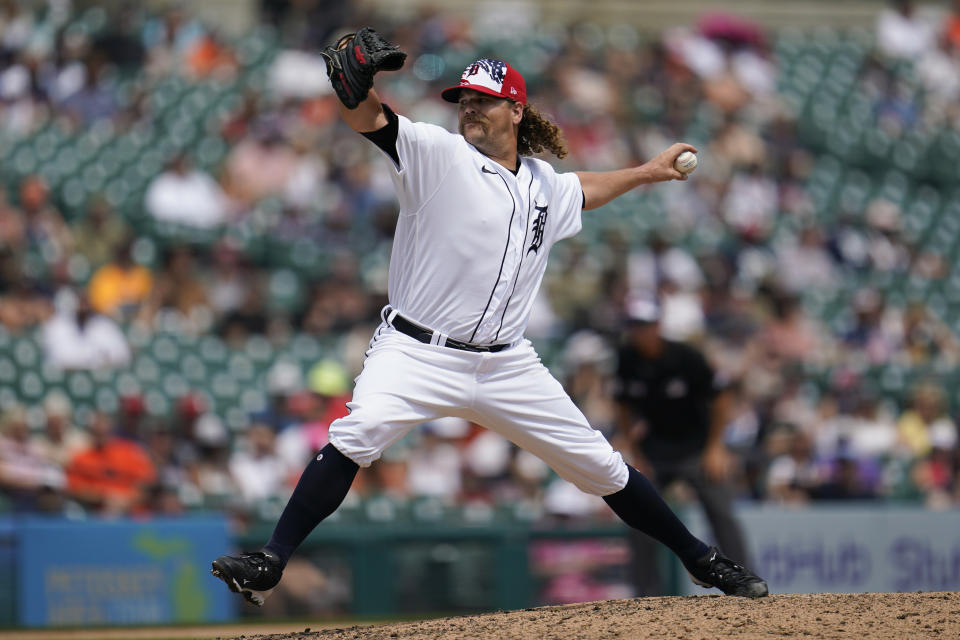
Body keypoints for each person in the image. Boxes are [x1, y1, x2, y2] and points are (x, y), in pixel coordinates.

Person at [211, 29, 768, 606]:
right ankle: (272, 558)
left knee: (601, 465)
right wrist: (354, 85)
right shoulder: (437, 154)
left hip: (507, 364)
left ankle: (701, 560)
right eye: (465, 99)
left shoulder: (546, 186)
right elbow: (369, 120)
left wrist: (648, 172)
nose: (470, 107)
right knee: (359, 431)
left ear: (516, 110)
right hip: (416, 351)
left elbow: (585, 189)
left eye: (483, 98)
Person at [613, 296, 753, 595]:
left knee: (721, 513)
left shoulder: (685, 356)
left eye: (645, 325)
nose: (640, 331)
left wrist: (717, 447)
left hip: (697, 448)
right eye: (635, 325)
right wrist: (637, 453)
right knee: (639, 514)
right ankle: (646, 594)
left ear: (658, 326)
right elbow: (622, 405)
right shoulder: (627, 358)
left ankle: (747, 581)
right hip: (656, 449)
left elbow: (721, 397)